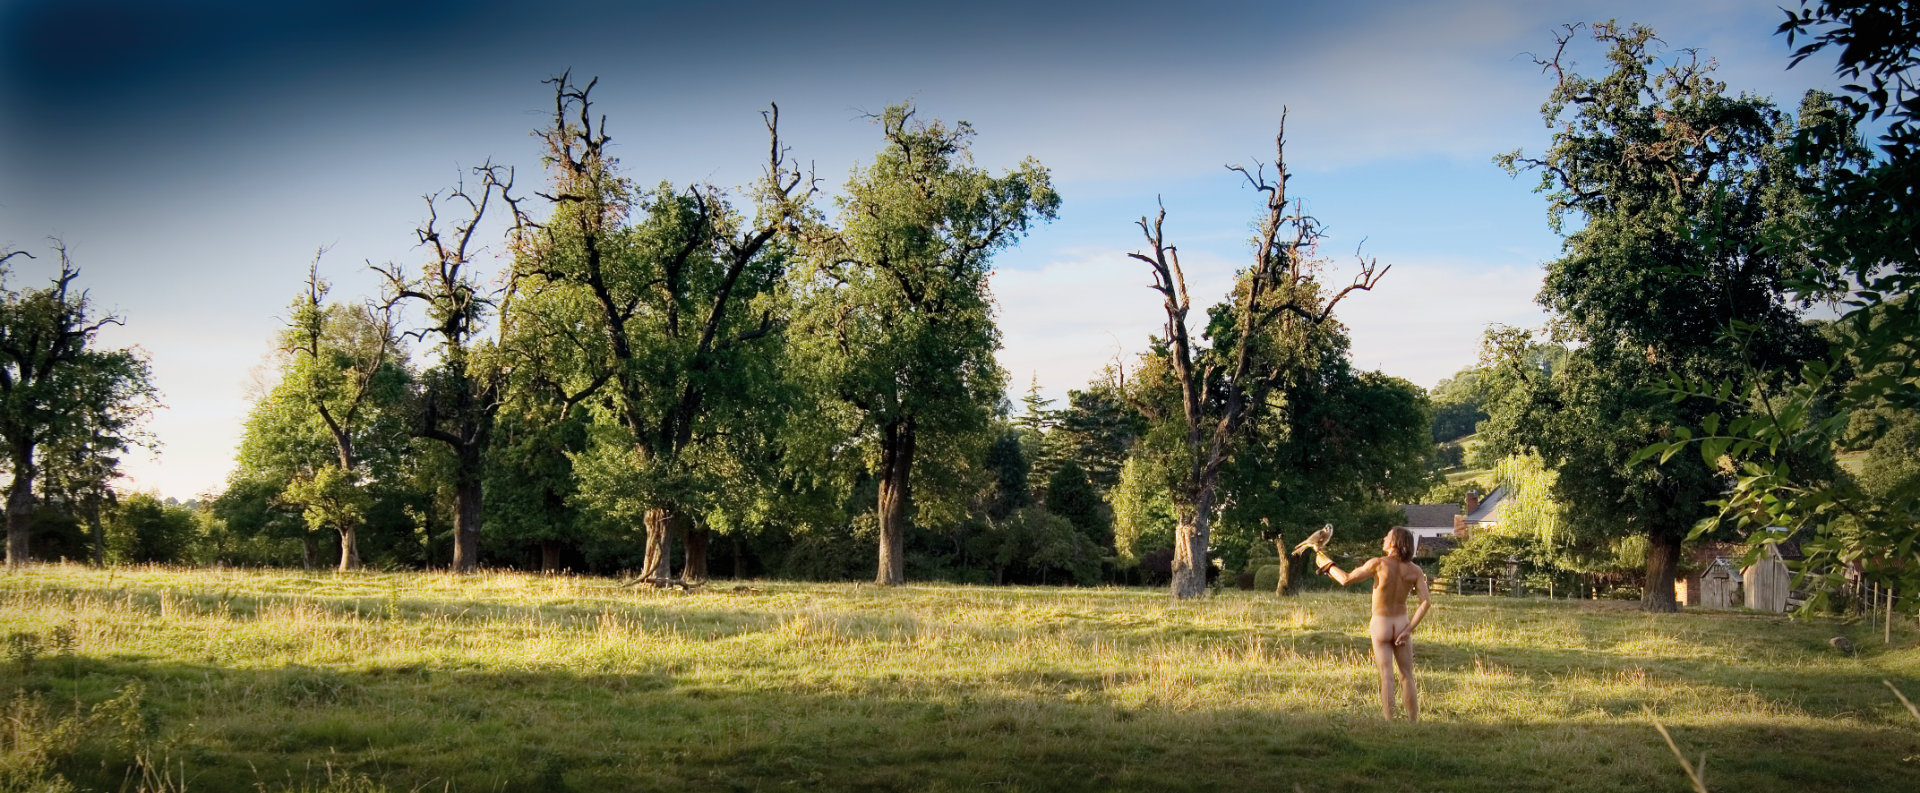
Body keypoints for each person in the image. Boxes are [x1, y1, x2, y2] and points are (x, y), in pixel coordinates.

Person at [1313, 527, 1431, 721]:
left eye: (1387, 536)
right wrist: (1409, 629)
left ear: (1394, 543)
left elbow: (1346, 579)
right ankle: (1413, 722)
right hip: (1402, 623)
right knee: (1407, 676)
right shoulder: (1415, 570)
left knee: (1387, 676)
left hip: (1381, 623)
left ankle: (1389, 721)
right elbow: (1425, 602)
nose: (1384, 538)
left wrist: (1327, 565)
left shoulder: (1378, 563)